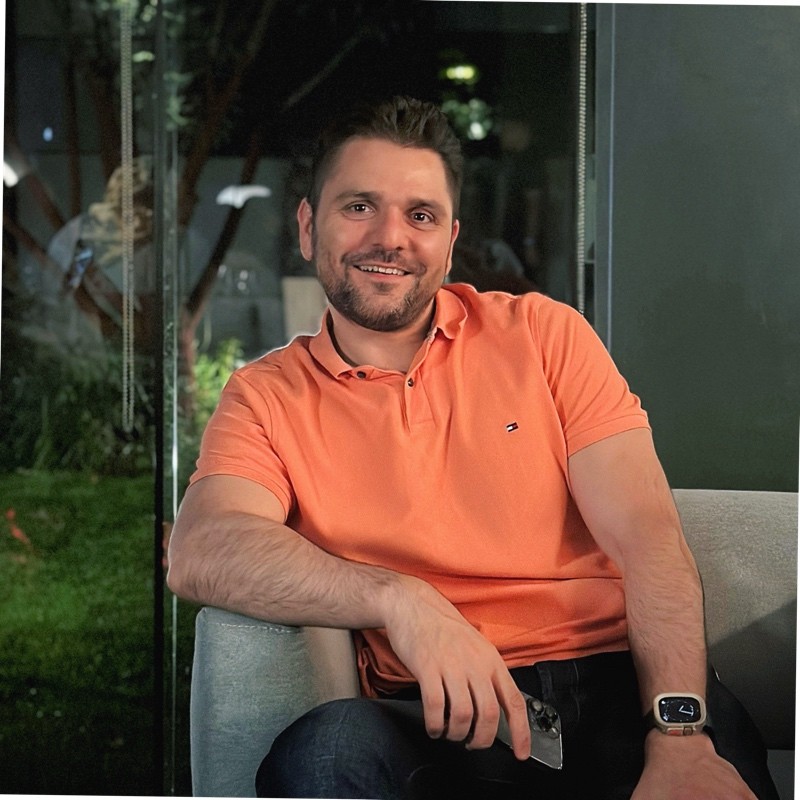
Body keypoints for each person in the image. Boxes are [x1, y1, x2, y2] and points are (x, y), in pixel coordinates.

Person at [167, 96, 778, 800]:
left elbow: (648, 538)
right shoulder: (266, 396)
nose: (390, 238)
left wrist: (678, 734)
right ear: (308, 226)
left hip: (621, 696)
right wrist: (401, 601)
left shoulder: (544, 336)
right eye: (359, 206)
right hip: (443, 716)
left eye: (420, 215)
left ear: (450, 241)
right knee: (324, 753)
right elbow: (202, 548)